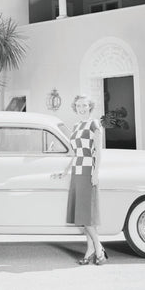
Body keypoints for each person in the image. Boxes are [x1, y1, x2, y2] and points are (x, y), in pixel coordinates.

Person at [53, 94, 108, 265]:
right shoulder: (76, 126)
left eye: (84, 105)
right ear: (75, 107)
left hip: (87, 171)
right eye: (78, 106)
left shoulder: (94, 124)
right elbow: (76, 153)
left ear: (90, 106)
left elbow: (97, 152)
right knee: (82, 216)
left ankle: (99, 249)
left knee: (86, 216)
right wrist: (65, 171)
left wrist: (95, 173)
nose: (81, 108)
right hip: (76, 171)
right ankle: (90, 250)